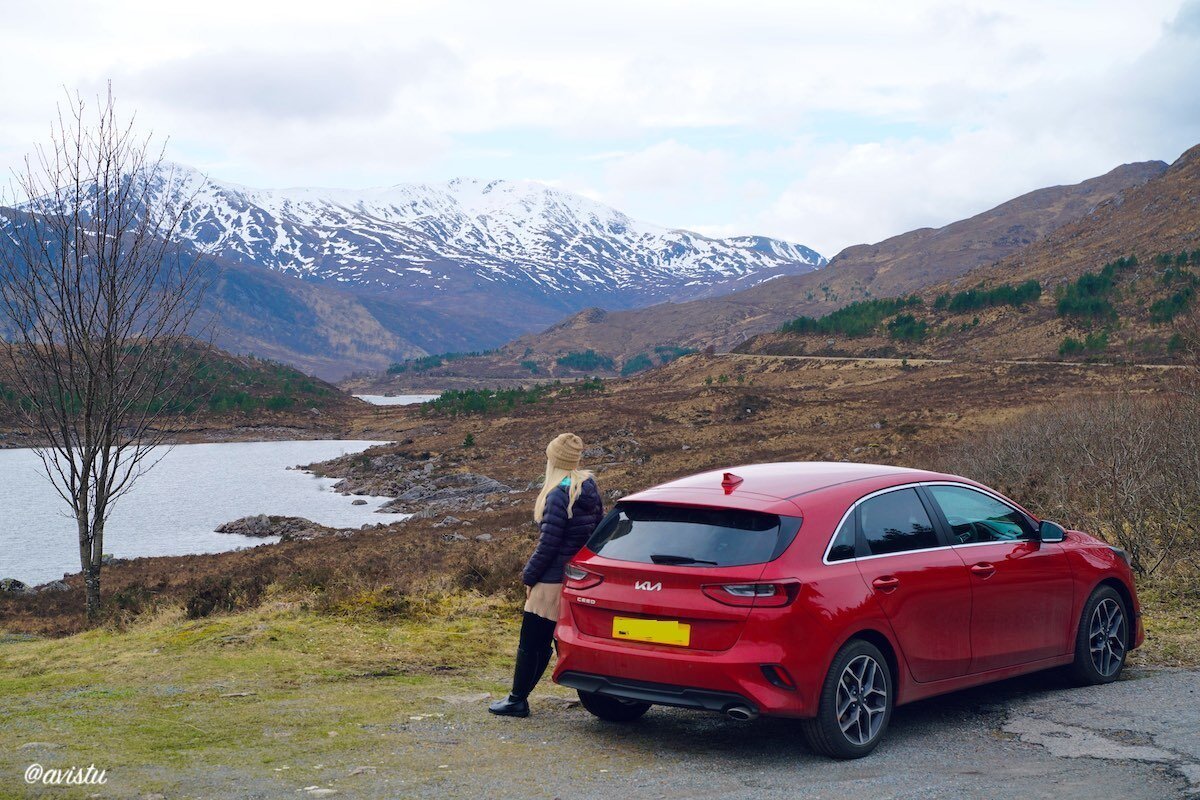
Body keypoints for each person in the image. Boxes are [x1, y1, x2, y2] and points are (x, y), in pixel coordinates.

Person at [488, 433, 605, 717]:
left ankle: (517, 700)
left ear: (554, 460)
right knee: (566, 640)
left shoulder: (557, 495)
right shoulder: (587, 487)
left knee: (532, 642)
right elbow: (599, 529)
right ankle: (603, 697)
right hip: (577, 577)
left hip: (551, 580)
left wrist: (529, 577)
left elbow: (548, 544)